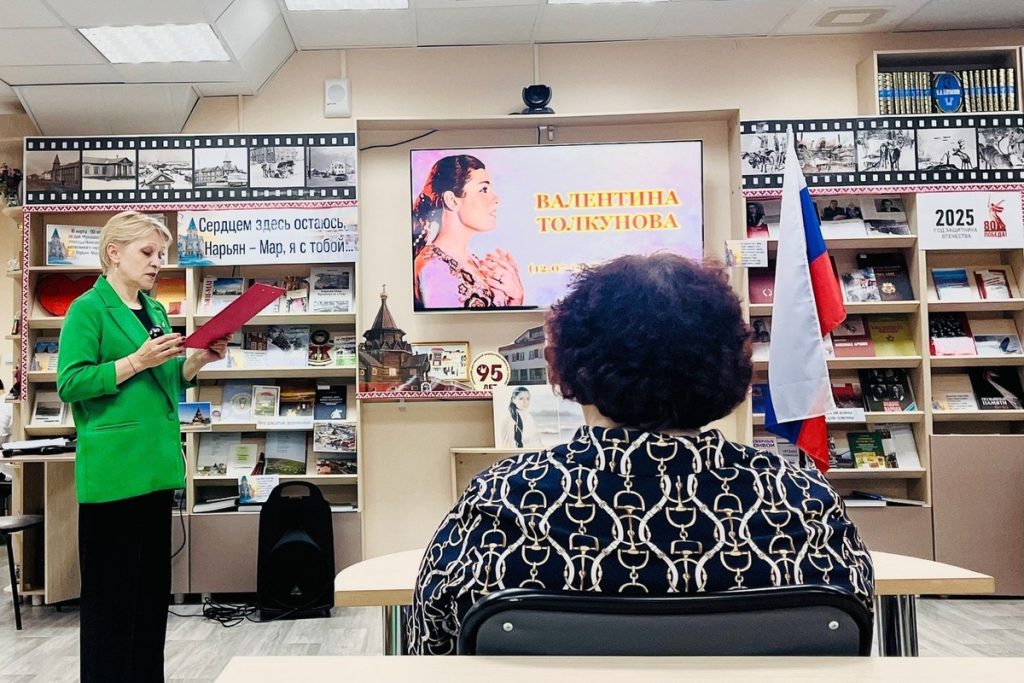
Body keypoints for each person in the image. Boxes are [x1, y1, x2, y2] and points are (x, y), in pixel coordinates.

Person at [408, 253, 874, 655]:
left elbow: (431, 648)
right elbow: (852, 639)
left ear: (565, 368)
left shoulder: (500, 501)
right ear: (732, 365)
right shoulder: (802, 500)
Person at [57, 211, 229, 683]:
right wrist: (134, 360)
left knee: (152, 598)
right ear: (114, 252)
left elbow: (165, 381)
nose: (158, 263)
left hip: (156, 468)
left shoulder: (153, 311)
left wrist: (195, 360)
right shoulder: (87, 309)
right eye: (147, 253)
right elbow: (70, 382)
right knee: (110, 603)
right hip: (114, 475)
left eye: (162, 255)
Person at [412, 154, 524, 309]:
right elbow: (450, 331)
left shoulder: (473, 261)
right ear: (452, 200)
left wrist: (515, 299)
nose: (496, 198)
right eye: (484, 189)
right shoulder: (433, 270)